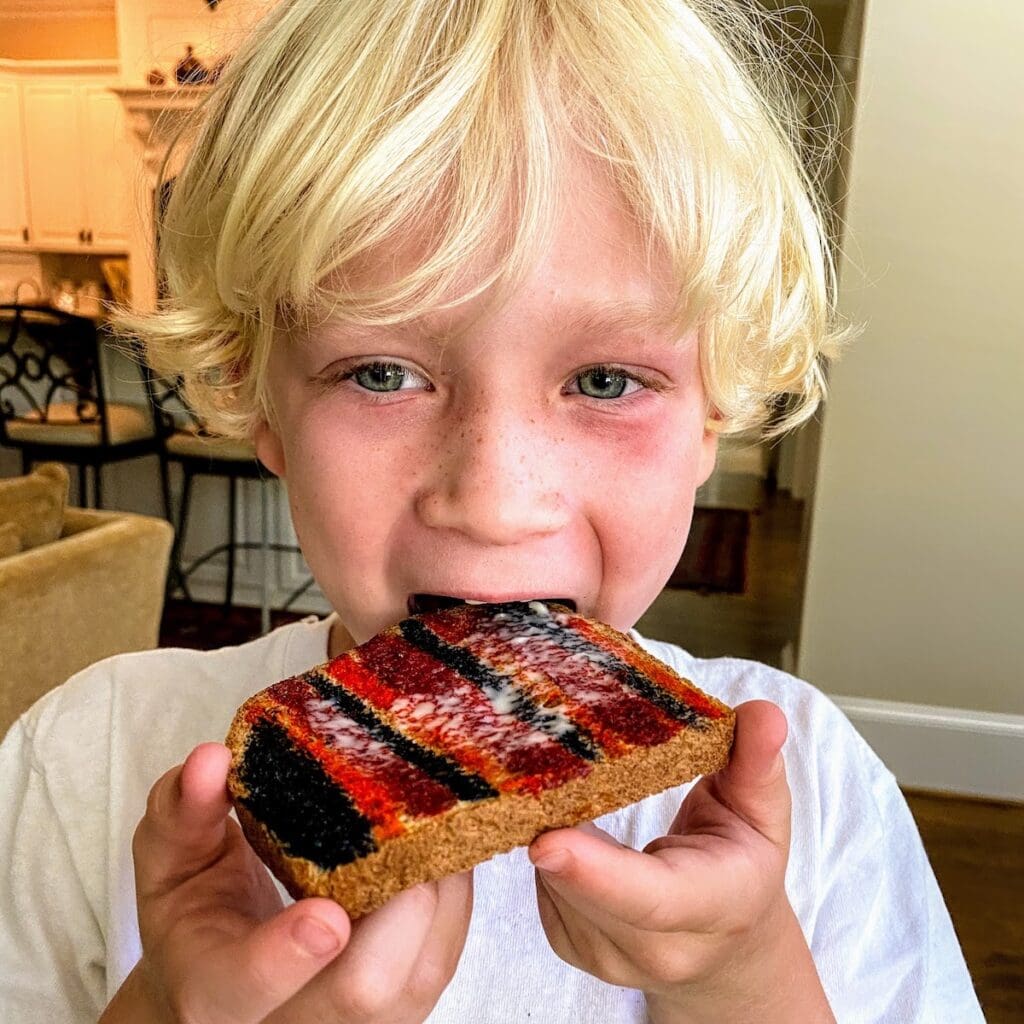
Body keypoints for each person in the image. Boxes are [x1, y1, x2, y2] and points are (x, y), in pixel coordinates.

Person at [0, 1, 984, 1021]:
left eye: (606, 380)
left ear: (714, 417)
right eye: (380, 371)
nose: (495, 500)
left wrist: (741, 970)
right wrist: (164, 1004)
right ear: (264, 406)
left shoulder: (811, 790)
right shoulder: (88, 756)